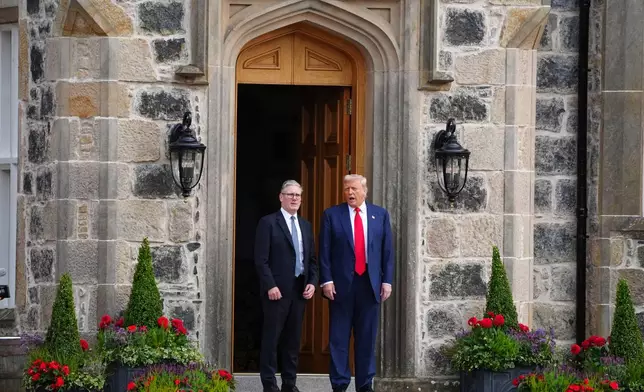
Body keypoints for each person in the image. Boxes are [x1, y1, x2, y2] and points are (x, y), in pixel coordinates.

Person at [319, 174, 394, 392]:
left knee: (366, 338)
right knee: (339, 339)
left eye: (353, 189)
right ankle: (340, 384)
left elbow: (387, 252)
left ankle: (364, 384)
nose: (349, 193)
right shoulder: (332, 215)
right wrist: (326, 280)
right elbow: (324, 251)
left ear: (364, 191)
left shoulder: (380, 215)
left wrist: (387, 281)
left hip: (370, 285)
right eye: (346, 189)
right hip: (341, 286)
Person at [254, 180, 319, 392]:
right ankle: (269, 385)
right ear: (280, 197)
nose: (294, 198)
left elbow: (312, 261)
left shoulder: (306, 226)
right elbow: (261, 259)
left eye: (297, 195)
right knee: (272, 340)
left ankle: (289, 384)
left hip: (299, 290)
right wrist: (270, 285)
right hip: (276, 292)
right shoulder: (268, 223)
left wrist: (312, 282)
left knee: (293, 341)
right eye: (290, 194)